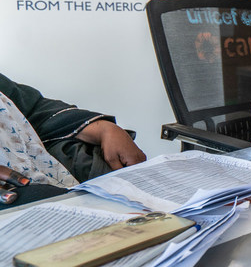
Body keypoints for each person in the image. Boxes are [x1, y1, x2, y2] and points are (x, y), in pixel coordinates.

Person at [1, 72, 146, 207]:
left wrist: (104, 129)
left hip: (44, 167)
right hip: (15, 195)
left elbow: (33, 109)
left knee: (120, 176)